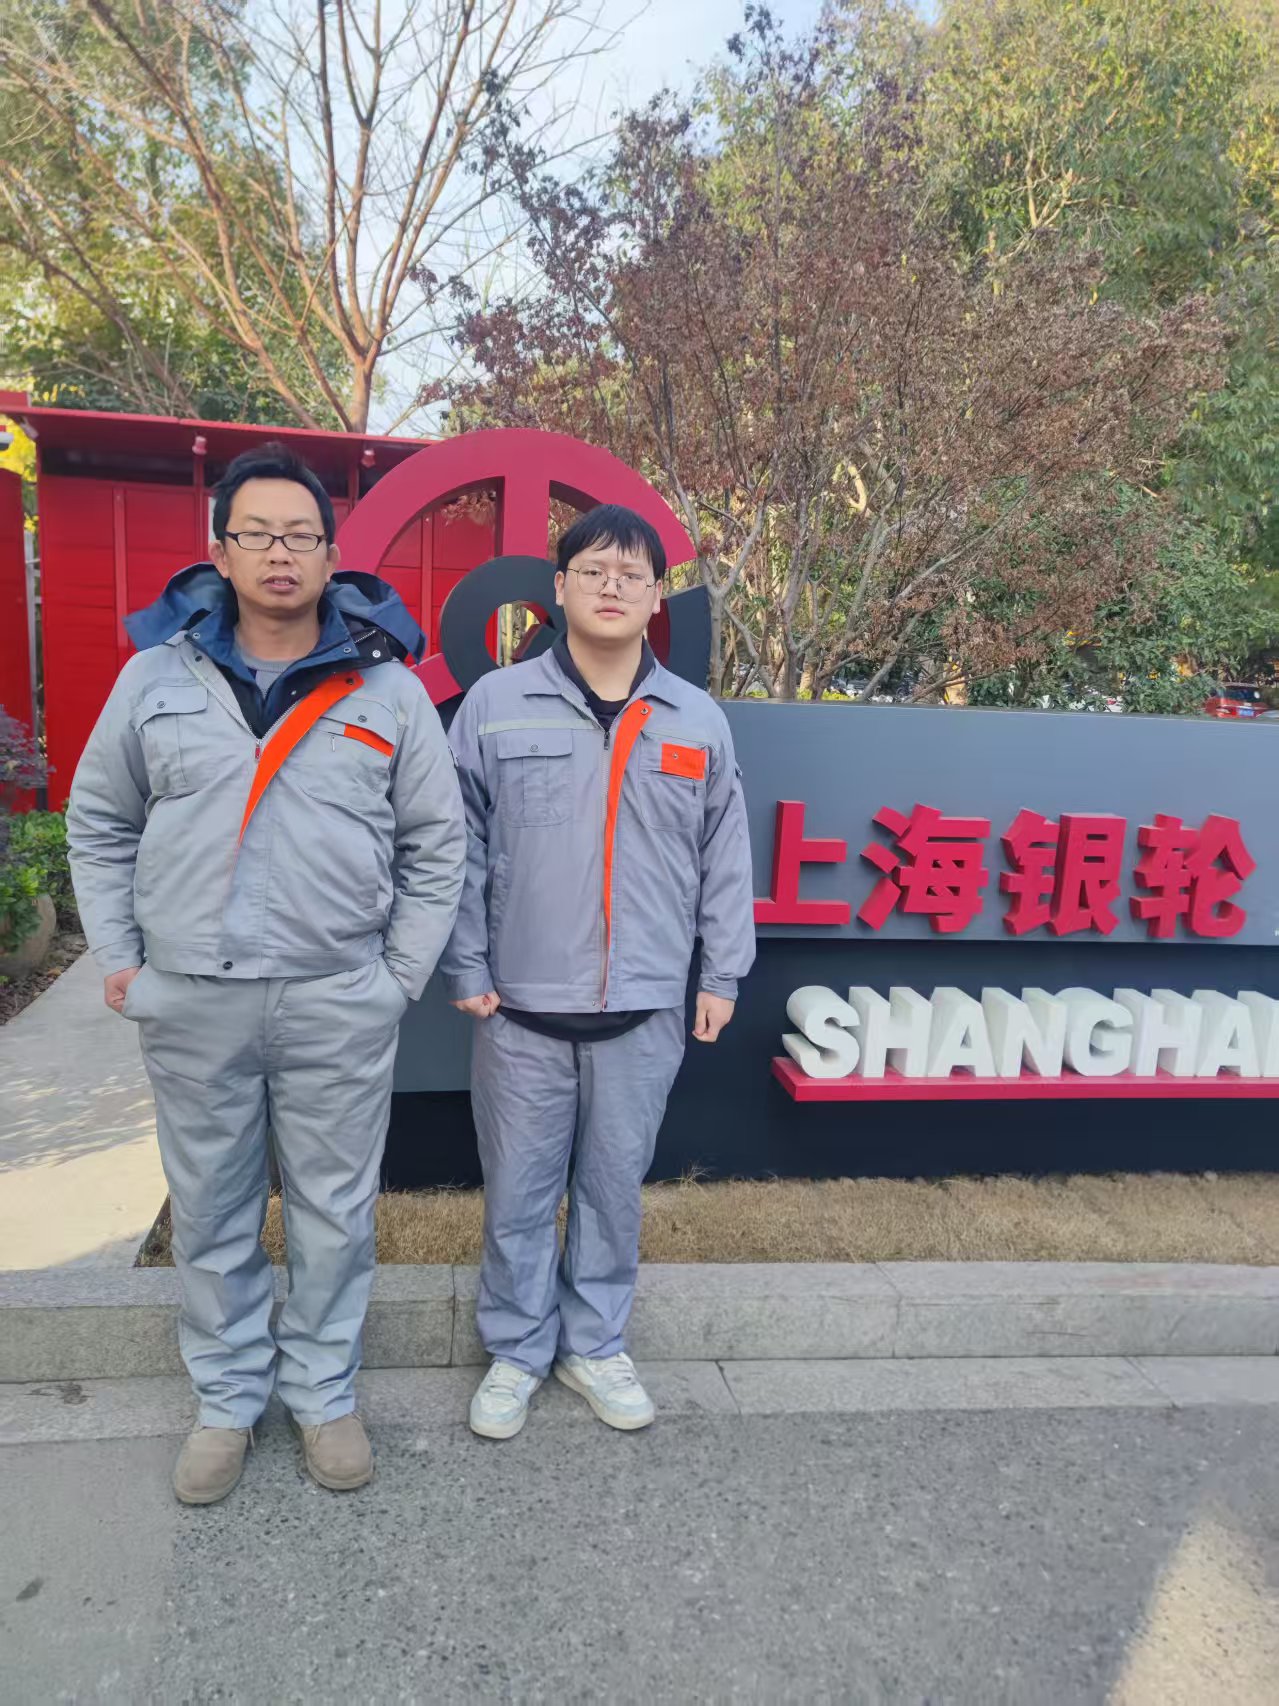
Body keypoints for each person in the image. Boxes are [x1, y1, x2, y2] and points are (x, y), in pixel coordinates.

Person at [67, 443, 465, 1504]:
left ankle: (324, 1394)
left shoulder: (387, 689)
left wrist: (396, 977)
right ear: (220, 550)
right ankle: (227, 1399)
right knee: (210, 1210)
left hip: (337, 998)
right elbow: (99, 823)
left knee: (335, 1213)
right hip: (194, 998)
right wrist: (123, 959)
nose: (279, 552)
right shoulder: (154, 679)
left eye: (300, 534)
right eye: (257, 533)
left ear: (332, 554)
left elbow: (437, 845)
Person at [443, 503, 756, 1440]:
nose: (612, 586)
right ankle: (515, 1350)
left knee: (613, 1191)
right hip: (518, 1010)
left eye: (631, 574)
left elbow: (724, 856)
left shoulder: (695, 719)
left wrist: (721, 974)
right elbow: (456, 845)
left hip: (644, 1011)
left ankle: (594, 1344)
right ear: (560, 588)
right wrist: (464, 961)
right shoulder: (497, 705)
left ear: (657, 597)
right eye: (593, 570)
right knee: (518, 1195)